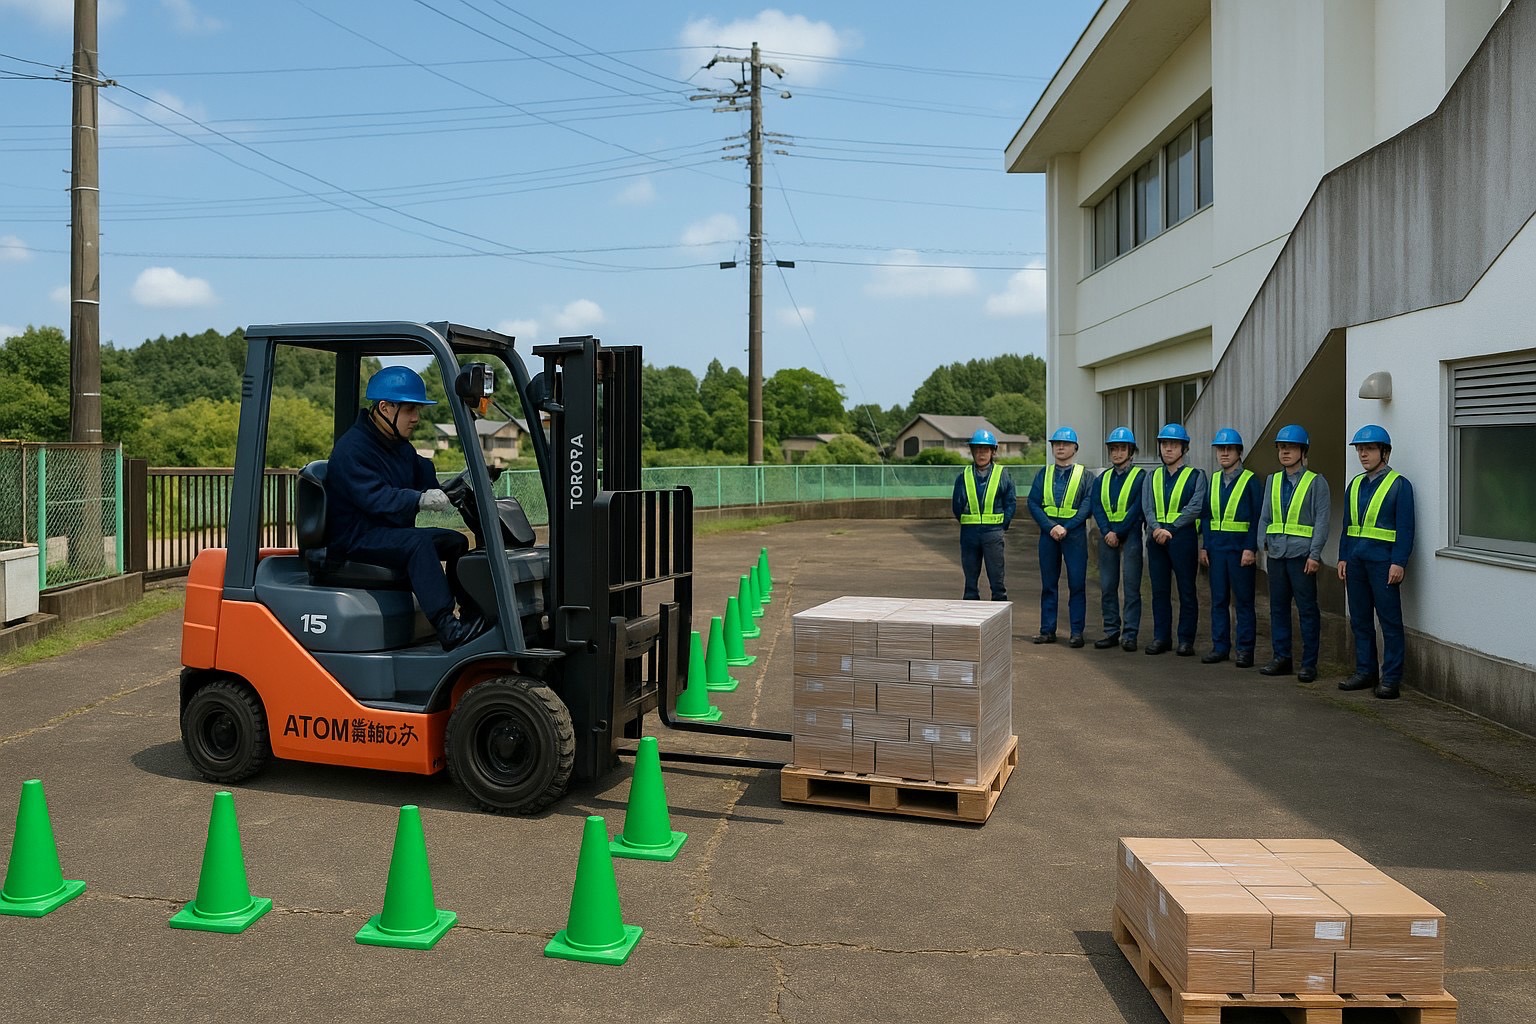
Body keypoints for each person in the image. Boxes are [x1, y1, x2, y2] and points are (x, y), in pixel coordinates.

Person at [324, 366, 485, 651]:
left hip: (386, 533)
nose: (416, 418)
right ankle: (448, 628)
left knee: (456, 541)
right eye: (411, 410)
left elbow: (423, 477)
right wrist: (419, 500)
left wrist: (451, 490)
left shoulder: (398, 445)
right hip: (356, 539)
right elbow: (375, 498)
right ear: (386, 407)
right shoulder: (353, 449)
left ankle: (472, 614)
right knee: (417, 544)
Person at [1336, 424, 1415, 699]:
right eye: (1360, 449)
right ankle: (1365, 671)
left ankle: (1391, 678)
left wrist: (1399, 562)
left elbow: (1406, 529)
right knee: (1359, 620)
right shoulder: (1355, 485)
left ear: (1385, 452)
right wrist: (1342, 557)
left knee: (1389, 622)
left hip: (1383, 564)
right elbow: (1347, 526)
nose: (1363, 454)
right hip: (1356, 562)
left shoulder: (1399, 486)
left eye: (1369, 449)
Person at [1256, 424, 1331, 683]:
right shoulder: (1273, 481)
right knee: (1277, 609)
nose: (1285, 451)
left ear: (1303, 450)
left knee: (1307, 610)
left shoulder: (1316, 482)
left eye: (1291, 447)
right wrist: (1261, 546)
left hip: (1301, 557)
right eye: (1281, 447)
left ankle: (1309, 664)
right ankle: (1282, 658)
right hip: (1276, 554)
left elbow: (1322, 521)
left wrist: (1315, 554)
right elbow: (1265, 516)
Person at [1142, 423, 1207, 657]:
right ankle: (1161, 637)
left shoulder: (1196, 476)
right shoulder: (1151, 476)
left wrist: (1169, 528)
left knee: (1186, 590)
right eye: (1164, 444)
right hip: (1156, 539)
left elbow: (1195, 507)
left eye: (1174, 444)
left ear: (1184, 448)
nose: (1168, 449)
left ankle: (1186, 640)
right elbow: (1147, 507)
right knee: (1159, 591)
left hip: (1182, 538)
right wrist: (1157, 528)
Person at [1199, 428, 1260, 668]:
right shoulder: (1213, 480)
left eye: (1229, 449)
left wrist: (1250, 548)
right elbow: (1206, 516)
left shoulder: (1250, 480)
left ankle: (1245, 650)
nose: (1224, 453)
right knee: (1218, 601)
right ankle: (1220, 647)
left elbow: (1256, 517)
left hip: (1239, 551)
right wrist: (1204, 546)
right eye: (1220, 449)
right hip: (1216, 550)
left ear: (1239, 452)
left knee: (1244, 602)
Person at [1028, 426, 1093, 646]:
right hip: (1049, 536)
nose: (1060, 447)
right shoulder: (1043, 474)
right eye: (1056, 444)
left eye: (1065, 444)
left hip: (1073, 536)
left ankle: (1076, 632)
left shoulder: (1085, 476)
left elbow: (1087, 505)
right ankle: (1047, 630)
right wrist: (1050, 527)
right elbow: (1033, 503)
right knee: (1048, 584)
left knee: (1077, 584)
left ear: (1075, 448)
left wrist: (1066, 527)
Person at [1091, 427, 1145, 652]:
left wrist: (1118, 532)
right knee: (1107, 586)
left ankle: (1130, 634)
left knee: (1131, 587)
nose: (1117, 453)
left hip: (1130, 535)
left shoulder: (1141, 477)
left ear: (1131, 451)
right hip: (1107, 536)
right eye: (1114, 449)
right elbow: (1097, 505)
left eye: (1122, 448)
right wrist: (1106, 531)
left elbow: (1138, 508)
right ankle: (1111, 631)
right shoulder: (1102, 479)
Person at [952, 428, 1016, 602]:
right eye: (977, 449)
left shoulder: (1002, 474)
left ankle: (999, 622)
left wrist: (1002, 525)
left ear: (993, 451)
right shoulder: (963, 476)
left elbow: (1010, 502)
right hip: (969, 533)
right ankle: (971, 621)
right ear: (972, 451)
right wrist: (967, 521)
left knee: (997, 581)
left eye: (985, 449)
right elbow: (956, 505)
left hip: (993, 533)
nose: (981, 454)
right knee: (970, 582)